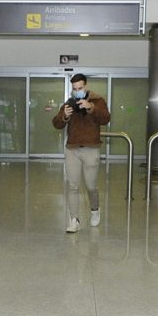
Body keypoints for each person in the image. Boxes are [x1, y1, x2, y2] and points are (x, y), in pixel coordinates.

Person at [51, 73, 111, 233]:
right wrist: (64, 115)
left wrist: (91, 108)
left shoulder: (98, 101)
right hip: (72, 148)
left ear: (86, 86)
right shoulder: (68, 103)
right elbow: (56, 123)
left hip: (91, 148)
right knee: (72, 185)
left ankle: (95, 209)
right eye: (74, 88)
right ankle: (74, 219)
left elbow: (106, 118)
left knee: (91, 186)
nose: (77, 91)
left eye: (80, 88)